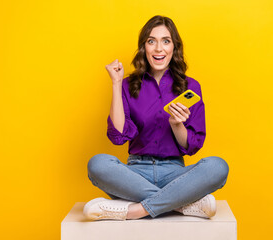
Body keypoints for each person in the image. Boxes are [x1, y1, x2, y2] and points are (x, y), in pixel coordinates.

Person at [83, 15, 229, 221]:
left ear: (174, 47)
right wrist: (116, 84)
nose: (159, 48)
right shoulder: (127, 85)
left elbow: (193, 145)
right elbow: (118, 136)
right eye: (152, 41)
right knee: (97, 164)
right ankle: (180, 204)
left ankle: (136, 210)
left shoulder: (191, 86)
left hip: (176, 176)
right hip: (135, 174)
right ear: (144, 48)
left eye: (166, 41)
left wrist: (176, 124)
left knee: (218, 167)